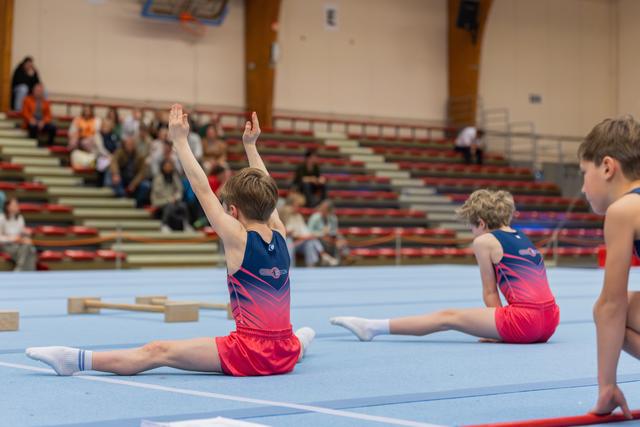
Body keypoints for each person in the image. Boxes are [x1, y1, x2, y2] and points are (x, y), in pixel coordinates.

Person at [26, 105, 315, 377]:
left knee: (158, 351)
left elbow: (203, 190)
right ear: (270, 202)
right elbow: (265, 186)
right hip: (284, 352)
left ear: (233, 212)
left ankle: (75, 359)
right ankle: (303, 339)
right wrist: (251, 146)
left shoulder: (238, 237)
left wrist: (179, 142)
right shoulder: (279, 231)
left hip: (249, 353)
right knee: (295, 340)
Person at [331, 189, 559, 345]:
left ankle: (372, 327)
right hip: (550, 320)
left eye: (471, 227)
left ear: (480, 223)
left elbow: (490, 291)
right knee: (453, 317)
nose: (472, 233)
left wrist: (497, 332)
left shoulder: (484, 241)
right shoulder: (522, 236)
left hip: (526, 323)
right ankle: (373, 327)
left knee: (447, 317)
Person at [576, 117, 640, 419]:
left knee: (609, 308)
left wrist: (608, 385)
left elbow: (610, 305)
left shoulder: (624, 210)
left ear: (606, 167)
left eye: (583, 173)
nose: (583, 187)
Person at [281, 193, 338, 267]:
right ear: (292, 205)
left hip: (299, 241)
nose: (299, 208)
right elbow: (287, 232)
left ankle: (311, 266)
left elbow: (305, 231)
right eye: (298, 205)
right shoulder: (284, 213)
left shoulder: (298, 216)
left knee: (310, 242)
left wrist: (307, 236)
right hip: (288, 240)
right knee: (289, 241)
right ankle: (290, 267)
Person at [108, 135, 150, 208]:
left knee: (146, 185)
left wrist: (134, 184)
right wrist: (116, 174)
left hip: (134, 180)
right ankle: (122, 196)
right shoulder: (120, 152)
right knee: (114, 179)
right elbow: (114, 162)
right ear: (124, 145)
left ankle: (138, 204)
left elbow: (142, 173)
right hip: (122, 178)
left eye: (131, 144)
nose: (130, 146)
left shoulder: (140, 156)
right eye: (128, 144)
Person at [151, 159, 189, 232]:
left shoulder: (174, 177)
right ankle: (164, 225)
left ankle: (186, 224)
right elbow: (158, 192)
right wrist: (169, 198)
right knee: (169, 206)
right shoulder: (158, 178)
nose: (168, 168)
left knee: (183, 206)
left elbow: (179, 189)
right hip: (160, 200)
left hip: (173, 200)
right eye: (166, 166)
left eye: (170, 166)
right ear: (163, 167)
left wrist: (176, 197)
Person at [0, 197, 36, 271]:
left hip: (19, 245)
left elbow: (21, 232)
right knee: (28, 249)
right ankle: (20, 270)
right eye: (14, 205)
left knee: (30, 247)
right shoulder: (1, 218)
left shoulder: (20, 218)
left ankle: (22, 269)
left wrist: (26, 234)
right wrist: (13, 239)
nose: (17, 207)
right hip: (6, 246)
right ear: (7, 207)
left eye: (17, 205)